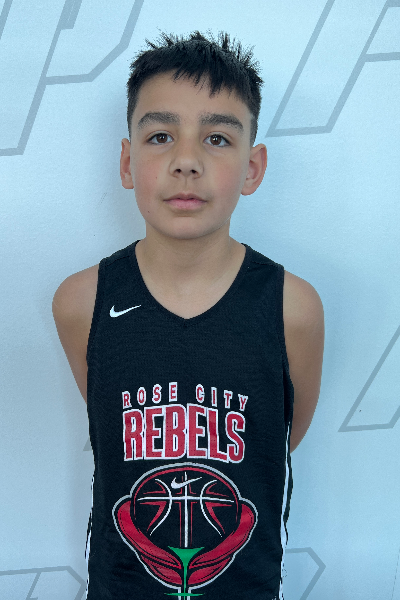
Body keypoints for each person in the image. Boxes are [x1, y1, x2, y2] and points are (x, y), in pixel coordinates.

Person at [52, 30, 324, 600]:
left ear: (253, 168)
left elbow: (279, 438)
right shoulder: (80, 301)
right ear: (127, 161)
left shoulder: (293, 308)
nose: (186, 162)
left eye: (217, 138)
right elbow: (106, 425)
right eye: (160, 136)